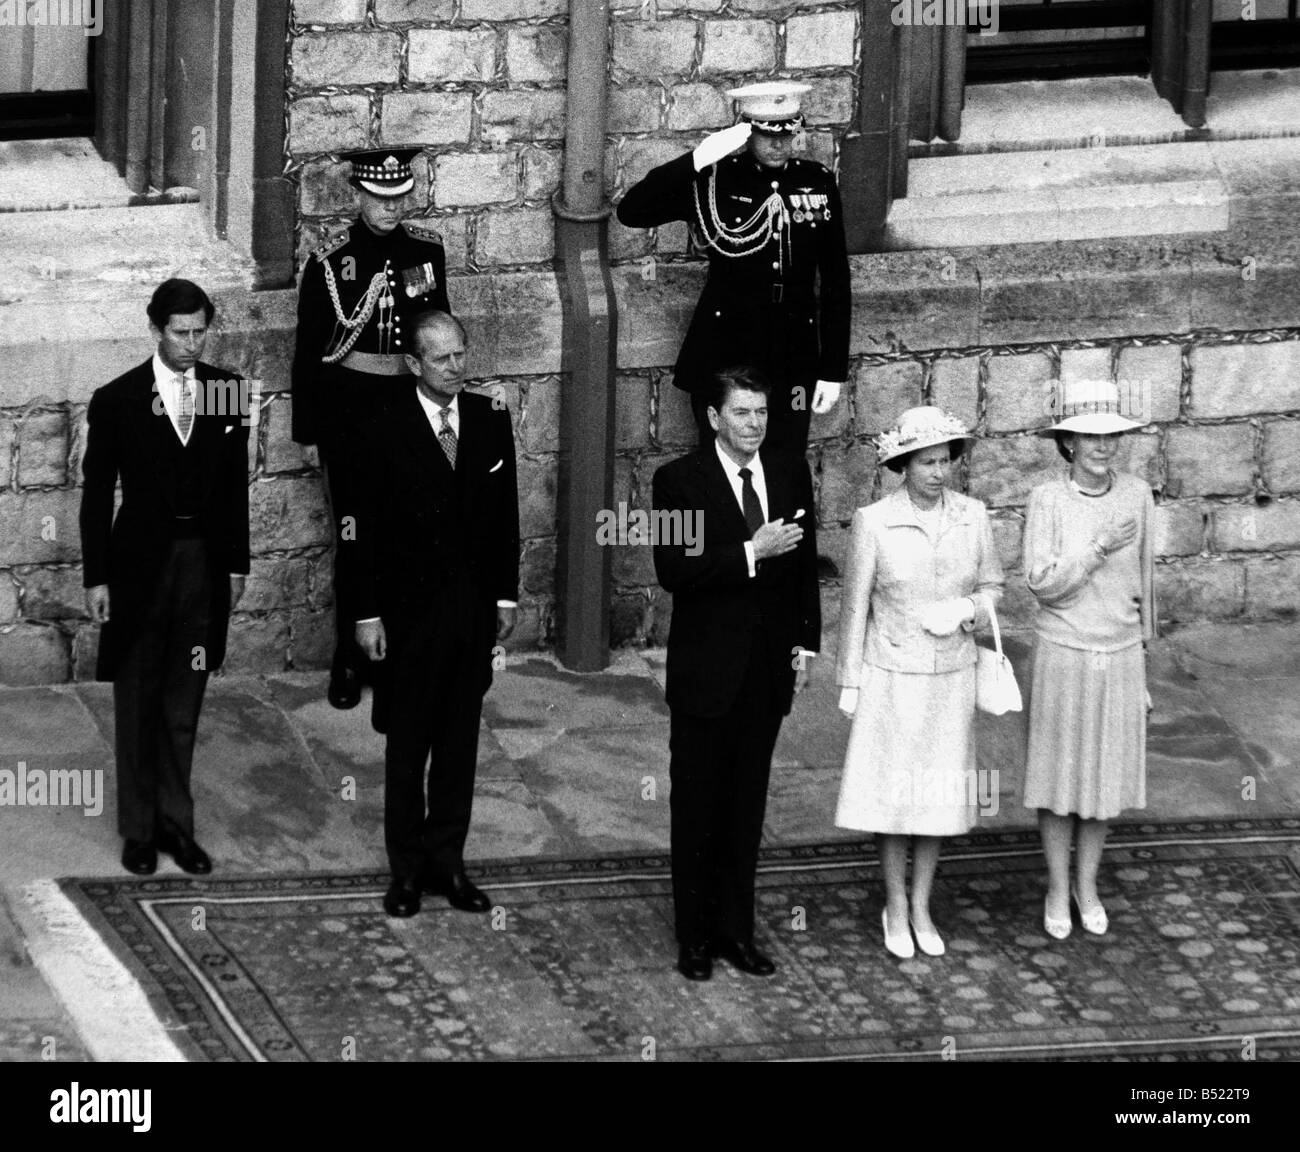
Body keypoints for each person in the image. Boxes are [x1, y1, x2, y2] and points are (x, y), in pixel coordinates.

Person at [344, 310, 519, 919]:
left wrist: (505, 596)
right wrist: (366, 615)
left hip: (470, 616)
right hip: (406, 616)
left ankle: (449, 863)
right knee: (407, 745)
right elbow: (358, 532)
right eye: (442, 359)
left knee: (458, 745)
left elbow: (505, 516)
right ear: (413, 363)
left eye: (461, 355)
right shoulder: (378, 425)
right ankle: (407, 871)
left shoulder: (490, 420)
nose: (456, 368)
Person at [651, 365, 821, 982]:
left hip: (766, 672)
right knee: (697, 805)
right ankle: (693, 937)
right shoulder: (676, 481)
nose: (755, 424)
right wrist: (753, 552)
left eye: (763, 413)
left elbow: (804, 567)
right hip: (705, 673)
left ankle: (736, 933)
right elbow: (674, 568)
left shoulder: (788, 469)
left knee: (747, 808)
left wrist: (805, 647)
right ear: (715, 418)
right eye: (743, 413)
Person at [80, 279, 250, 876]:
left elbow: (235, 488)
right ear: (155, 330)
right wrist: (96, 578)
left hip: (202, 564)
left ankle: (178, 826)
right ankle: (138, 829)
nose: (192, 343)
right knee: (138, 697)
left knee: (185, 700)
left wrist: (236, 563)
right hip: (139, 567)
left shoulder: (229, 393)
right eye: (180, 332)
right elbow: (98, 494)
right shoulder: (118, 398)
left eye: (201, 330)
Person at [834, 407, 1004, 959]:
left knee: (937, 798)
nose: (937, 471)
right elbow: (855, 604)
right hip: (893, 674)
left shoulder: (973, 515)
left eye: (945, 460)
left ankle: (923, 903)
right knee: (894, 797)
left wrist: (967, 609)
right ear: (902, 465)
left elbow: (993, 585)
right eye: (926, 462)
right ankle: (896, 905)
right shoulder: (874, 520)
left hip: (951, 673)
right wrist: (849, 679)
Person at [291, 146, 451, 710]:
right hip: (350, 415)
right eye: (380, 197)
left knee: (404, 533)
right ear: (358, 195)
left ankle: (392, 654)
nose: (390, 207)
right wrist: (310, 431)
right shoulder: (332, 258)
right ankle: (348, 656)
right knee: (356, 535)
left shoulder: (425, 251)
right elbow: (310, 348)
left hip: (407, 411)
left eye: (399, 196)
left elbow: (436, 332)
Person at [617, 81, 850, 457]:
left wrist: (832, 369)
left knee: (786, 457)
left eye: (788, 133)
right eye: (767, 134)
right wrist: (695, 160)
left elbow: (837, 282)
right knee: (721, 463)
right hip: (728, 345)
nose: (779, 143)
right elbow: (632, 212)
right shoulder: (715, 178)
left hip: (794, 353)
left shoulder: (816, 182)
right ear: (746, 132)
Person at [1022, 380, 1155, 940]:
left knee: (1103, 782)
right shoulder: (1047, 499)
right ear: (1068, 443)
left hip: (1120, 654)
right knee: (1057, 779)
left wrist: (1144, 667)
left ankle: (1087, 886)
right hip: (1064, 651)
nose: (1104, 447)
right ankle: (1057, 887)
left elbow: (1147, 583)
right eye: (1090, 437)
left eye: (1113, 436)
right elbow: (1043, 584)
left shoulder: (1139, 494)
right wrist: (1098, 547)